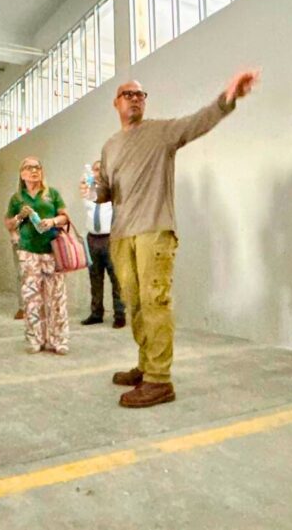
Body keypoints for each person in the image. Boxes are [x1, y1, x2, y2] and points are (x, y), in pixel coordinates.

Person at [97, 71, 260, 408]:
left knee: (155, 301)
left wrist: (227, 97)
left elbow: (198, 122)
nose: (135, 99)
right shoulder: (110, 146)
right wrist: (95, 191)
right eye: (128, 94)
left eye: (141, 94)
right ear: (116, 103)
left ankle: (159, 380)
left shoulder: (161, 132)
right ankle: (146, 364)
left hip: (154, 229)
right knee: (135, 303)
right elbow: (107, 191)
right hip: (122, 234)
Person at [5, 157, 72, 354]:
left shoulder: (52, 193)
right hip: (28, 252)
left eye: (37, 167)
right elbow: (9, 224)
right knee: (32, 297)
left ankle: (59, 339)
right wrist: (20, 217)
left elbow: (65, 216)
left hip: (52, 251)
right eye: (29, 167)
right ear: (21, 173)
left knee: (56, 297)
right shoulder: (17, 198)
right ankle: (35, 339)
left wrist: (52, 221)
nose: (34, 171)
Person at [79, 160, 125, 329]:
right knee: (95, 277)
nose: (97, 172)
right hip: (92, 238)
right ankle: (96, 312)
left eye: (101, 169)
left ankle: (119, 314)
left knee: (116, 278)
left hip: (110, 238)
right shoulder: (89, 191)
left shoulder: (114, 191)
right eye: (95, 169)